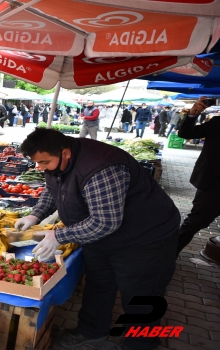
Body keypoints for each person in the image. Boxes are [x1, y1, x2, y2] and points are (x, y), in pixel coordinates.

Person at [16, 127, 179, 350]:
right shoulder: (55, 159)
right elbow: (54, 188)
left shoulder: (100, 167)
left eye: (44, 162)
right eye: (37, 163)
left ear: (65, 153)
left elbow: (106, 222)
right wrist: (36, 214)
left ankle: (142, 344)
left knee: (141, 293)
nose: (40, 167)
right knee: (99, 282)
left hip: (144, 234)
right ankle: (91, 329)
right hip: (97, 234)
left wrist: (59, 235)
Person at [175, 99, 220, 254]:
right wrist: (193, 114)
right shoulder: (217, 123)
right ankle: (169, 254)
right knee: (196, 222)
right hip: (214, 185)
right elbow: (186, 133)